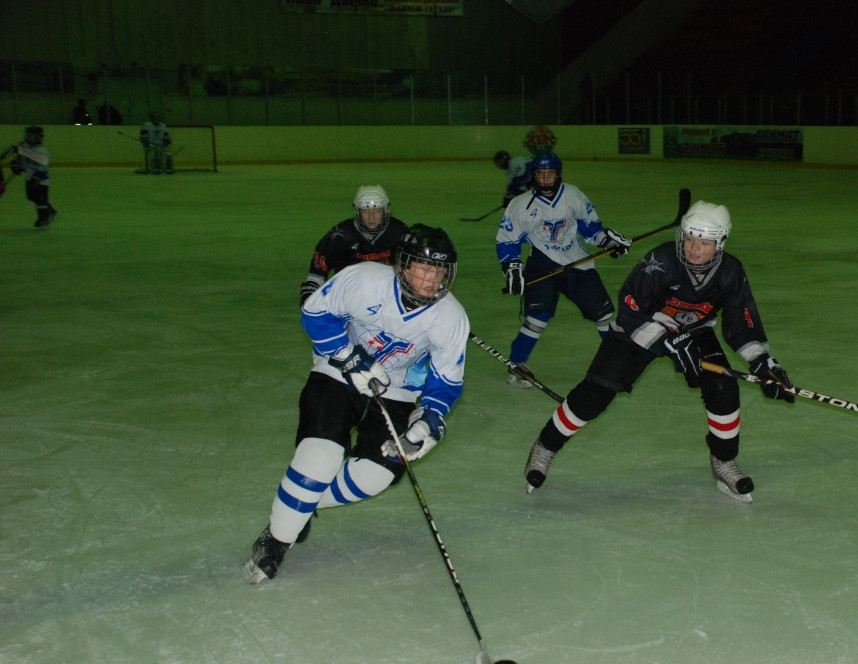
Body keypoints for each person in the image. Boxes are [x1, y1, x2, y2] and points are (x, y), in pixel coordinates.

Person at [522, 201, 795, 504]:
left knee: (723, 386)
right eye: (689, 238)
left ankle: (723, 461)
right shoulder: (661, 261)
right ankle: (545, 447)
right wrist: (668, 342)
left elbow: (740, 323)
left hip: (693, 331)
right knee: (595, 394)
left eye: (704, 243)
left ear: (720, 243)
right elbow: (630, 307)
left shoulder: (731, 271)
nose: (693, 248)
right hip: (637, 329)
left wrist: (762, 363)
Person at [245, 224, 469, 584]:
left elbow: (445, 383)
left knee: (377, 474)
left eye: (439, 270)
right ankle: (277, 537)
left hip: (393, 390)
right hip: (336, 372)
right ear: (404, 264)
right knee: (320, 457)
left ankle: (299, 506)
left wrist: (428, 423)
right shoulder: (363, 279)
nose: (431, 279)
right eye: (423, 268)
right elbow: (315, 314)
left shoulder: (451, 317)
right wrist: (349, 357)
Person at [495, 152, 631, 388]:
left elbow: (592, 230)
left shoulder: (573, 195)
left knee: (603, 315)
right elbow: (507, 240)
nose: (546, 179)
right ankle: (517, 363)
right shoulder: (519, 205)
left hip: (577, 262)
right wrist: (511, 265)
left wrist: (609, 242)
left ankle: (616, 364)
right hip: (542, 264)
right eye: (541, 174)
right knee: (538, 316)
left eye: (550, 173)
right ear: (534, 175)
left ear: (558, 173)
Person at [300, 185, 410, 306]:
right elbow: (318, 271)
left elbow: (412, 269)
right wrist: (309, 298)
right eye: (365, 211)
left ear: (385, 210)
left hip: (388, 295)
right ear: (357, 211)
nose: (371, 217)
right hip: (348, 295)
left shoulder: (400, 232)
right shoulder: (339, 236)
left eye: (377, 210)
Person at [2, 125, 57, 228]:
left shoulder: (42, 151)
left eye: (32, 135)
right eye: (28, 135)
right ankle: (50, 210)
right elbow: (20, 157)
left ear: (38, 137)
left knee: (40, 198)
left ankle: (44, 217)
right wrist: (16, 164)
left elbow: (42, 168)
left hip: (41, 179)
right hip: (28, 176)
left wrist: (35, 179)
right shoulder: (24, 144)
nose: (29, 137)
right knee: (31, 197)